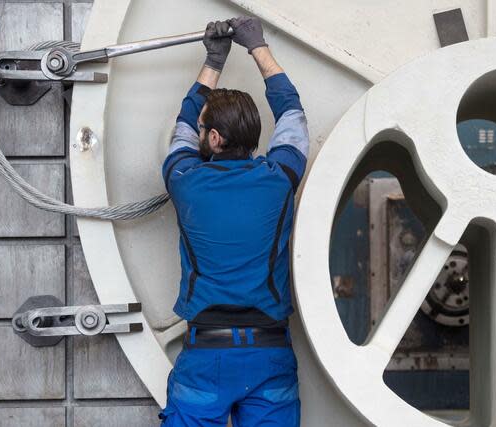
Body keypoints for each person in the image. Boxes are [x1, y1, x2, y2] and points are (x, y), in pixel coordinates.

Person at [159, 16, 308, 427]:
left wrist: (214, 59)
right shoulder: (279, 180)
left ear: (214, 139)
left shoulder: (186, 180)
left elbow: (183, 126)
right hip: (270, 355)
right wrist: (257, 48)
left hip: (206, 356)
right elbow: (293, 116)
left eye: (206, 128)